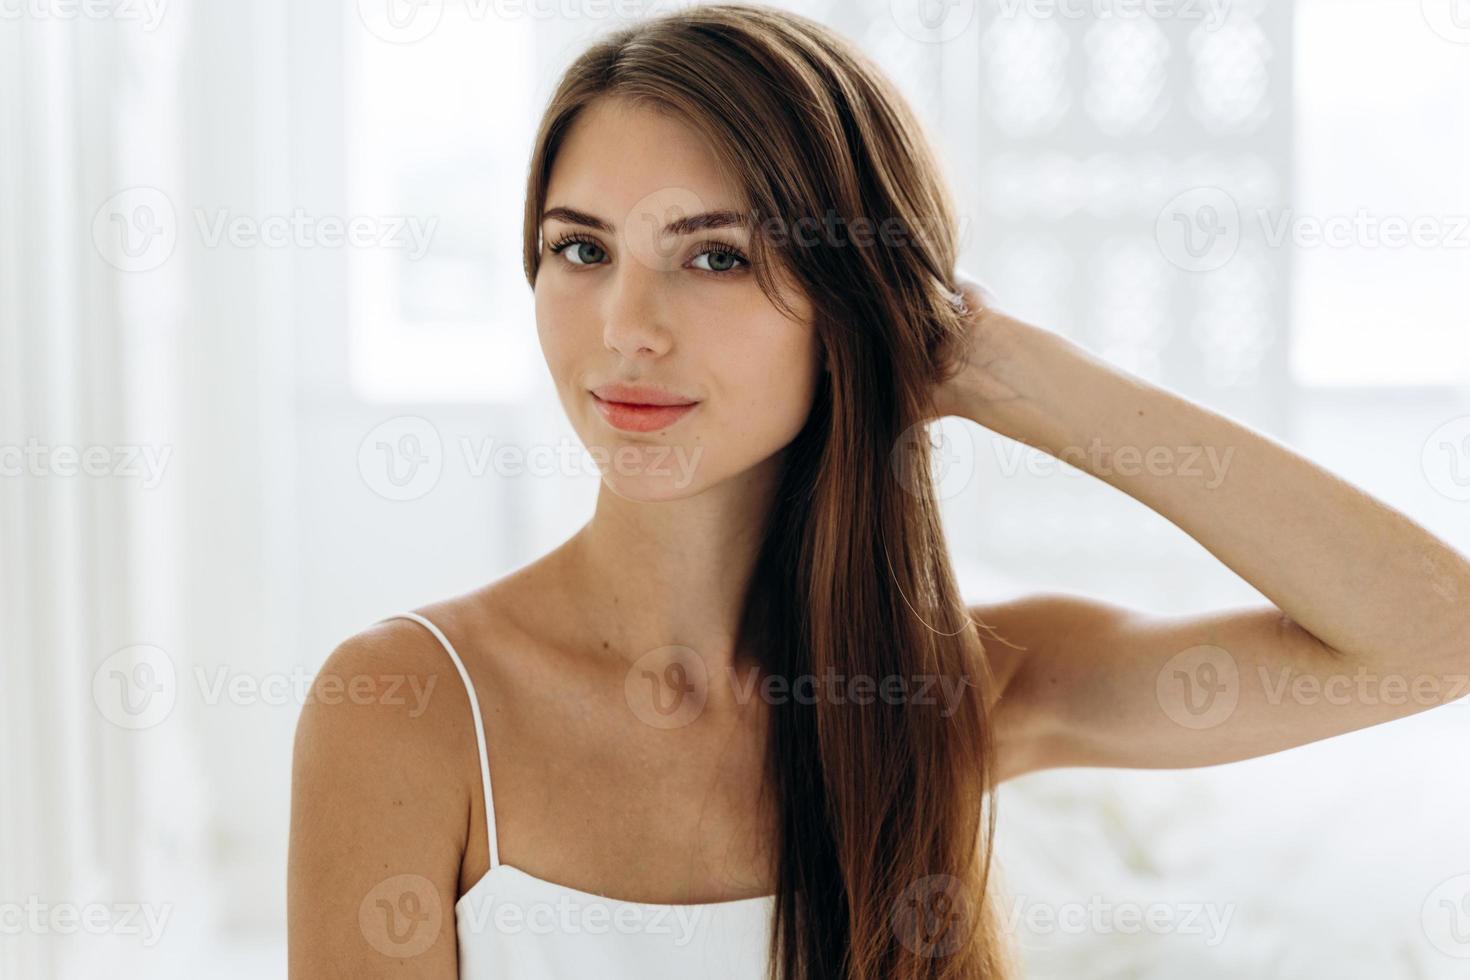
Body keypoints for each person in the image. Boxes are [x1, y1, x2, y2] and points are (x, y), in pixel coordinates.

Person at [287, 5, 1470, 978]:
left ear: (855, 298)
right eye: (581, 248)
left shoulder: (958, 690)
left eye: (717, 255)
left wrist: (1012, 374)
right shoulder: (407, 709)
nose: (625, 329)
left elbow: (1431, 632)